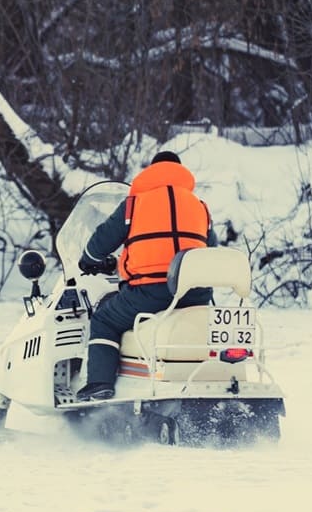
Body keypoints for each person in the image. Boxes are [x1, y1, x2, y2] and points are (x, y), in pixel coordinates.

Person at [75, 151, 217, 401]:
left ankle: (100, 383)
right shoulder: (200, 206)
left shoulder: (134, 203)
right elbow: (211, 249)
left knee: (104, 320)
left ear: (152, 170)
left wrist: (88, 259)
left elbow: (104, 238)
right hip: (195, 293)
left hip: (150, 291)